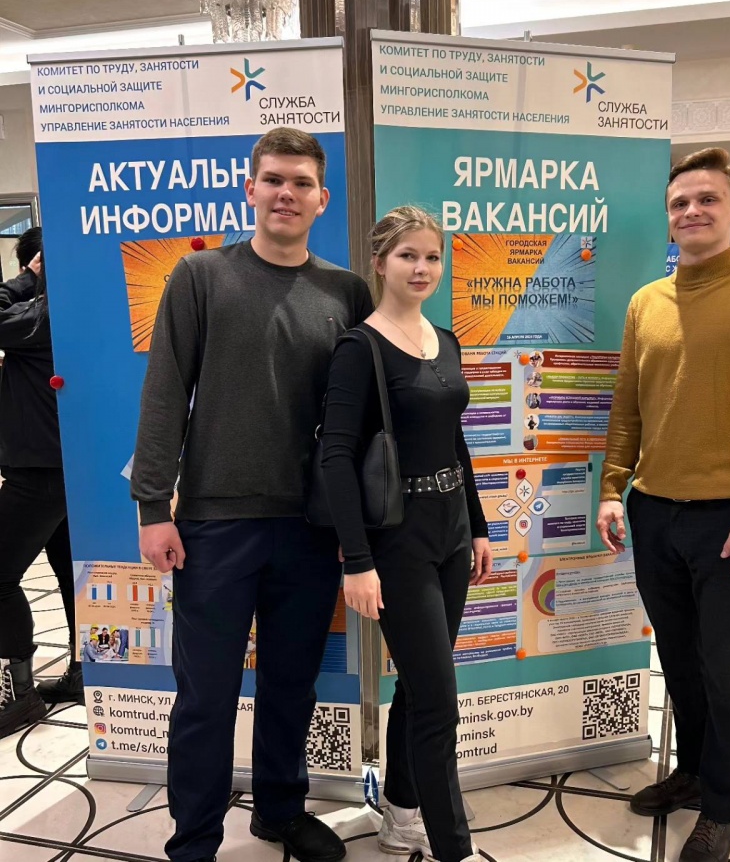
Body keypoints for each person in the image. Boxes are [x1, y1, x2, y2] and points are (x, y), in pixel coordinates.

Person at [130, 127, 373, 862]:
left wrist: (357, 527)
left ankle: (280, 811)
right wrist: (152, 507)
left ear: (322, 199)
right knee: (205, 696)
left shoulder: (347, 292)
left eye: (301, 183)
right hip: (214, 524)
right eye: (273, 179)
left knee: (292, 685)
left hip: (309, 527)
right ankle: (194, 841)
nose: (285, 194)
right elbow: (165, 392)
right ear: (250, 190)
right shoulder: (200, 276)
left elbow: (361, 420)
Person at [596, 148, 730, 862]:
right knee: (680, 661)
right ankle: (691, 772)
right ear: (669, 216)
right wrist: (612, 487)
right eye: (680, 202)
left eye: (707, 199)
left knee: (728, 672)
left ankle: (722, 807)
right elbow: (628, 405)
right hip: (655, 512)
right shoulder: (646, 303)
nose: (692, 211)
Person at [318, 206, 491, 862]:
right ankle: (453, 848)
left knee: (420, 688)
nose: (422, 268)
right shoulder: (358, 348)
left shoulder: (445, 339)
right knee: (440, 704)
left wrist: (478, 527)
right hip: (397, 542)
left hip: (452, 534)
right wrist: (358, 561)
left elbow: (455, 440)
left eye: (432, 256)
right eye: (407, 256)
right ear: (380, 262)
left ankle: (403, 810)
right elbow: (337, 457)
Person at [0, 227, 84, 742]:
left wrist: (25, 280)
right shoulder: (72, 315)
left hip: (39, 474)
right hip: (66, 467)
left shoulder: (41, 318)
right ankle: (84, 672)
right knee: (70, 571)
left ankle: (19, 696)